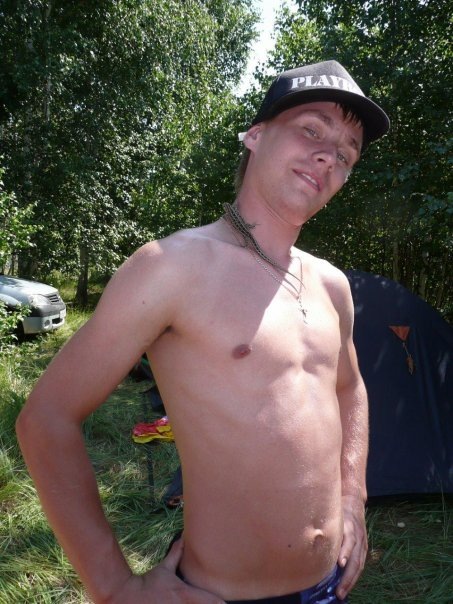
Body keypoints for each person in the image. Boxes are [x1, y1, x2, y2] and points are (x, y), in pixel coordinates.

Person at [16, 59, 389, 604]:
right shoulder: (172, 266)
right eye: (312, 130)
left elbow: (349, 389)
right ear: (255, 135)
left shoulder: (332, 285)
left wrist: (353, 496)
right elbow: (46, 418)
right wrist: (115, 588)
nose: (329, 157)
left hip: (329, 587)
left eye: (347, 155)